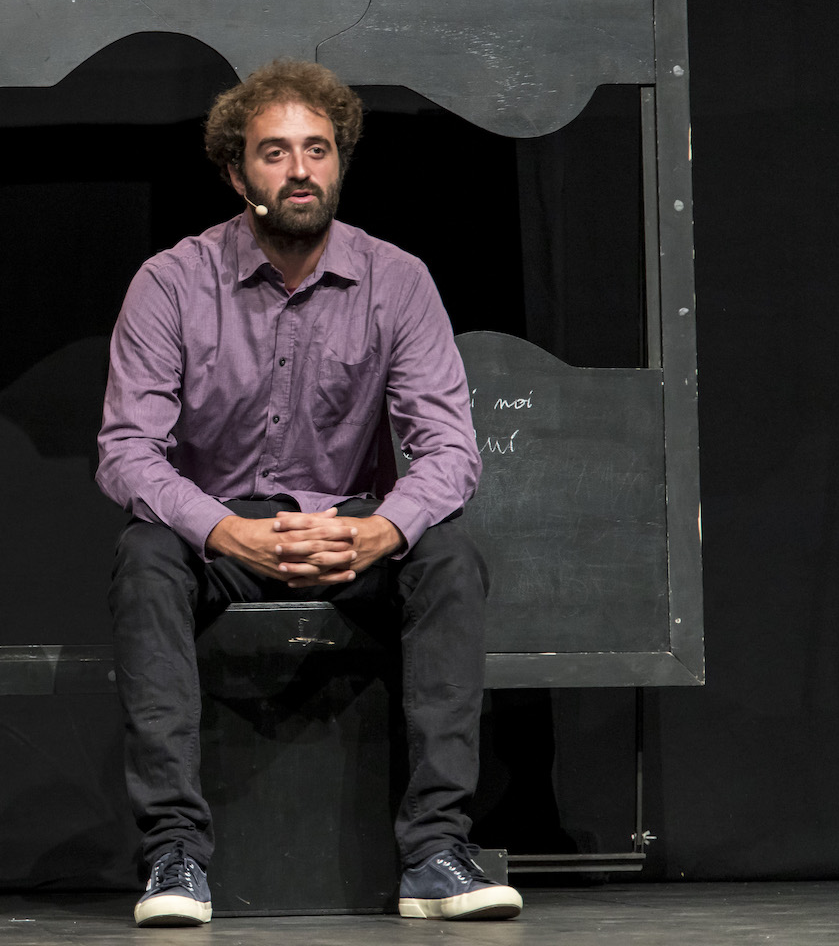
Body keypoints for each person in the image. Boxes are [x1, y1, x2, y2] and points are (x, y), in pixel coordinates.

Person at [97, 59, 522, 925]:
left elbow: (449, 449)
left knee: (448, 556)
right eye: (275, 152)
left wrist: (383, 531)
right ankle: (174, 855)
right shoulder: (171, 283)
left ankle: (436, 852)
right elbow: (127, 452)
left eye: (317, 150)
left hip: (348, 532)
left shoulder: (397, 280)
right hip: (221, 537)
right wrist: (224, 531)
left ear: (340, 162)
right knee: (144, 555)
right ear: (236, 173)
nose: (300, 170)